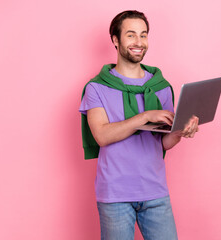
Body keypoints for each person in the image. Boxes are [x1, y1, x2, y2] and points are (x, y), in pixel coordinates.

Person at [79, 10, 199, 240]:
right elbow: (102, 136)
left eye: (143, 35)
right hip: (115, 195)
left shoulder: (160, 86)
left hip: (155, 191)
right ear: (116, 40)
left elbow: (163, 141)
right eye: (131, 35)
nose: (139, 42)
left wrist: (181, 132)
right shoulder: (96, 88)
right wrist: (144, 117)